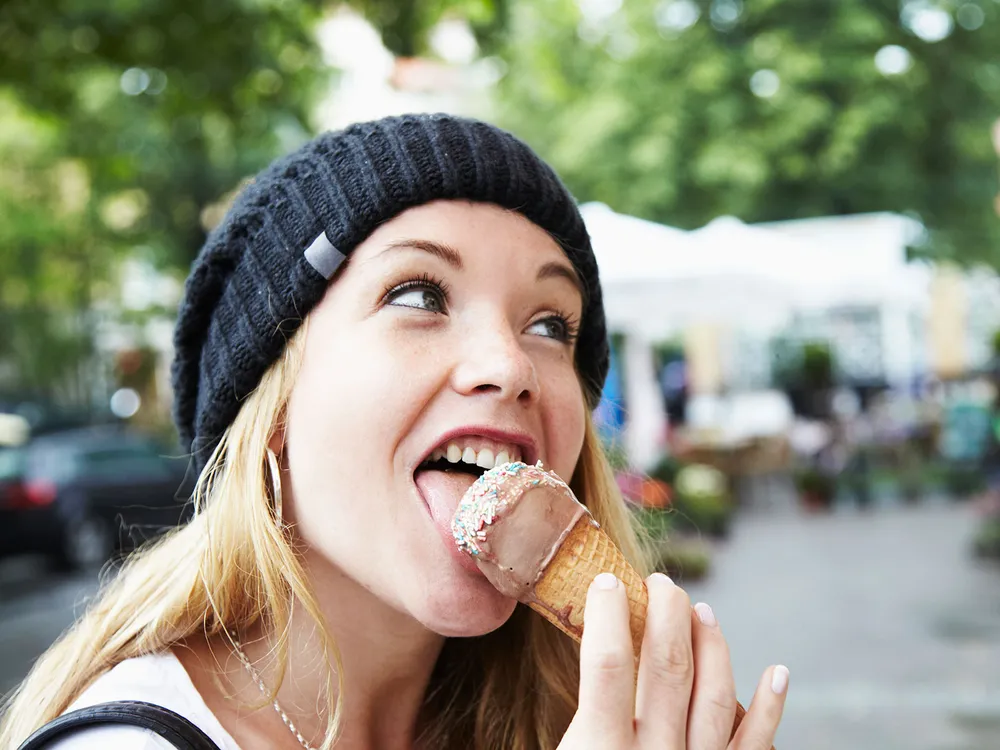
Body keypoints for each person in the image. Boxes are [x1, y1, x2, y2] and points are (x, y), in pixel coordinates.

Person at [0, 114, 788, 750]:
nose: (510, 364)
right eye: (419, 294)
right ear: (271, 409)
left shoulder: (570, 724)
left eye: (551, 323)